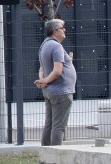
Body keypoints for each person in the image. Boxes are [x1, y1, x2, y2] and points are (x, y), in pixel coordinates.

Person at [36, 18, 76, 146]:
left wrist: (44, 81)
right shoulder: (56, 46)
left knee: (49, 124)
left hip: (51, 92)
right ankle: (56, 156)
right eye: (62, 28)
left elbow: (42, 68)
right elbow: (58, 71)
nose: (64, 30)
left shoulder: (45, 44)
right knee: (58, 127)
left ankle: (46, 154)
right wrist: (46, 81)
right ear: (55, 31)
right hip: (61, 93)